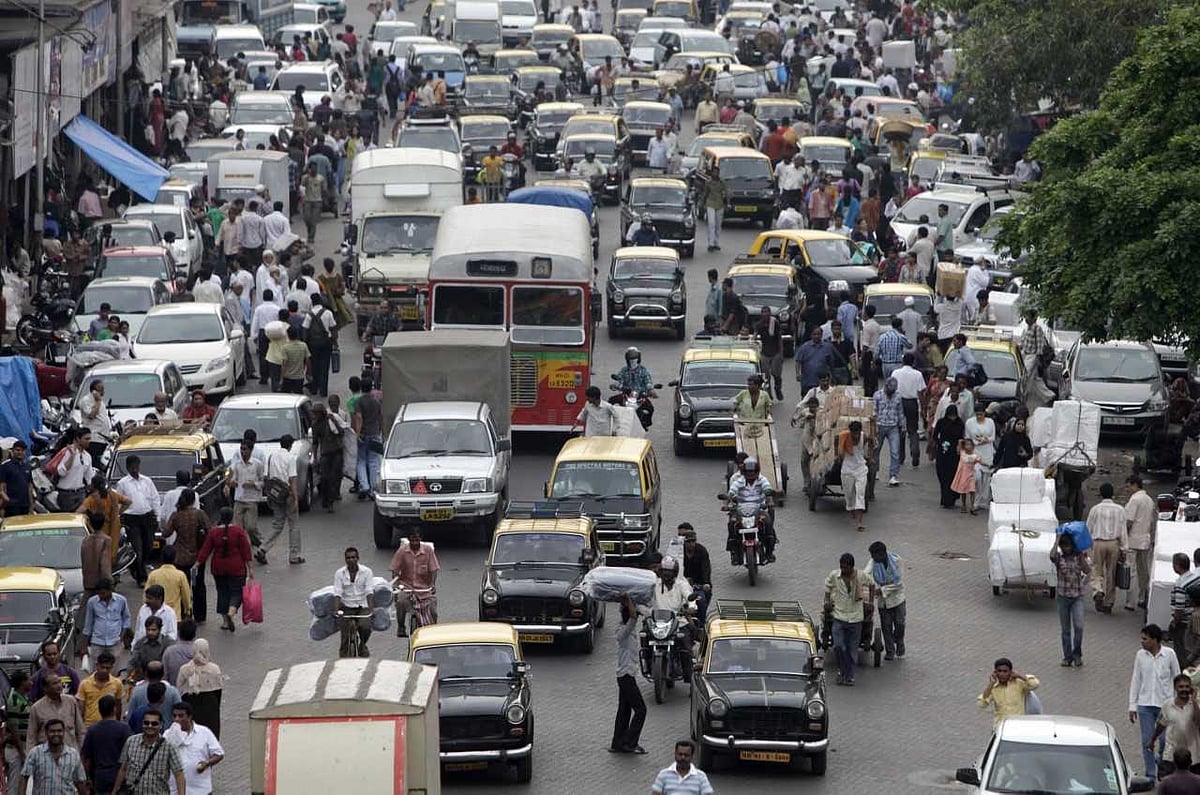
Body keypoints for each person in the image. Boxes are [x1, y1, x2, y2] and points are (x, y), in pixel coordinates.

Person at [1129, 623, 1180, 777]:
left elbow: (1176, 677)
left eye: (1145, 639)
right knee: (1147, 741)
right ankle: (1150, 774)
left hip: (1165, 706)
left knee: (1165, 741)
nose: (1142, 641)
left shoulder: (1169, 654)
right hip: (1145, 705)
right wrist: (1132, 705)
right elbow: (1136, 679)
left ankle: (1162, 766)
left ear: (1155, 640)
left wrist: (1178, 703)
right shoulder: (1140, 655)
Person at [110, 708, 185, 795]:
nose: (150, 726)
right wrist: (115, 790)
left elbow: (179, 774)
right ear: (142, 724)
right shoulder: (131, 741)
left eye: (154, 723)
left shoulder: (169, 746)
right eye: (146, 723)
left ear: (161, 725)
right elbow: (123, 769)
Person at [115, 455, 161, 588]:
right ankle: (142, 577)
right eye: (132, 467)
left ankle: (135, 566)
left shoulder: (147, 481)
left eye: (137, 466)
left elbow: (154, 498)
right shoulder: (123, 483)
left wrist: (156, 516)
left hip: (147, 517)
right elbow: (119, 503)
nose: (135, 469)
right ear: (128, 468)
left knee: (148, 546)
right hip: (132, 520)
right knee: (138, 548)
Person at [610, 593, 646, 755]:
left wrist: (626, 599)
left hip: (625, 675)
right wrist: (630, 602)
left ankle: (618, 743)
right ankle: (630, 743)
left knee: (624, 711)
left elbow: (631, 612)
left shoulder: (623, 629)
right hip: (626, 677)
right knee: (641, 710)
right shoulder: (625, 630)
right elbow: (632, 615)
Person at [824, 553, 867, 686]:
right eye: (842, 567)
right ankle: (842, 671)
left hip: (855, 618)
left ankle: (849, 676)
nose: (844, 570)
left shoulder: (861, 576)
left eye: (846, 568)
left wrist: (869, 600)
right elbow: (827, 588)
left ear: (852, 567)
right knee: (838, 646)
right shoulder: (834, 576)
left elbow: (872, 584)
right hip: (838, 617)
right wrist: (827, 601)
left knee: (852, 649)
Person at [259, 434, 302, 566]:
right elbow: (292, 479)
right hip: (287, 494)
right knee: (294, 525)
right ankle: (294, 555)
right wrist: (295, 499)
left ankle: (263, 548)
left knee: (277, 524)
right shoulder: (291, 458)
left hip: (275, 494)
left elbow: (267, 477)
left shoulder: (271, 456)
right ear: (290, 445)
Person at [1087, 482, 1129, 615]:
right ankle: (1109, 602)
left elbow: (1088, 528)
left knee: (1097, 569)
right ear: (1113, 494)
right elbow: (1123, 531)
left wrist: (1086, 547)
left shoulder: (1095, 509)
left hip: (1098, 543)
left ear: (1100, 494)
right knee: (1112, 573)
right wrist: (1124, 548)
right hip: (1114, 544)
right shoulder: (1120, 509)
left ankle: (1098, 590)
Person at [1051, 532, 1092, 668]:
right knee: (1066, 630)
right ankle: (1067, 657)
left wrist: (1083, 584)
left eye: (1067, 546)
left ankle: (1077, 654)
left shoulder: (1078, 557)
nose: (1065, 549)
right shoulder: (1059, 558)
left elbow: (1088, 571)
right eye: (1063, 546)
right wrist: (1056, 540)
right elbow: (1052, 556)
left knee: (1079, 627)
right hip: (1063, 597)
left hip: (1077, 597)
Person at [389, 527, 439, 637]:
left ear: (420, 538)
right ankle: (401, 627)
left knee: (433, 610)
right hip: (406, 588)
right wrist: (397, 583)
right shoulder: (402, 551)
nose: (414, 543)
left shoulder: (428, 551)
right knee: (401, 602)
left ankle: (433, 631)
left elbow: (433, 569)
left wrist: (432, 584)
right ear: (409, 539)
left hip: (424, 589)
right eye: (412, 540)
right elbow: (395, 569)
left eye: (417, 540)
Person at [164, 701, 223, 794]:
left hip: (200, 790)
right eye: (174, 716)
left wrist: (206, 763)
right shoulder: (167, 734)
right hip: (175, 790)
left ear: (190, 716)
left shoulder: (204, 732)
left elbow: (219, 754)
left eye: (181, 716)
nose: (177, 719)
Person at [725, 458, 776, 563]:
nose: (751, 475)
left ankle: (770, 551)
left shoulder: (762, 480)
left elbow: (767, 490)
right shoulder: (738, 482)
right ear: (744, 472)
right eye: (748, 472)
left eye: (753, 472)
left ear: (757, 472)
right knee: (732, 524)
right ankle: (734, 552)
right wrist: (726, 504)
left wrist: (769, 500)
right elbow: (731, 493)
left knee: (768, 522)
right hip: (740, 511)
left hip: (759, 510)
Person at [1150, 676, 1200, 779]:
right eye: (1181, 687)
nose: (1184, 689)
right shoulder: (1167, 705)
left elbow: (1198, 721)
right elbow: (1161, 724)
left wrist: (1194, 700)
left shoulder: (1196, 705)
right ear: (1175, 688)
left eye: (1187, 686)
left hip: (1194, 756)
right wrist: (1153, 739)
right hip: (1171, 755)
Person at [19, 718, 87, 794]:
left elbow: (81, 782)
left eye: (59, 731)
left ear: (64, 732)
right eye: (52, 731)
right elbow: (24, 778)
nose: (56, 734)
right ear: (46, 733)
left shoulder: (73, 755)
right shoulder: (35, 753)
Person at [81, 694, 131, 795]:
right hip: (120, 775)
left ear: (99, 710)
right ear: (114, 709)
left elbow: (86, 759)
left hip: (100, 776)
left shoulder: (92, 730)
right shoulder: (124, 729)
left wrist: (87, 778)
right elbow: (130, 755)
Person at [80, 579, 131, 675]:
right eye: (99, 593)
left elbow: (126, 619)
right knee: (96, 671)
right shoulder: (92, 602)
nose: (101, 596)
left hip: (115, 641)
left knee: (114, 671)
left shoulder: (121, 601)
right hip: (97, 641)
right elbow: (88, 624)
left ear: (110, 590)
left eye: (103, 593)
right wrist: (84, 645)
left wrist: (121, 636)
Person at [175, 640, 223, 739]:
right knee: (210, 736)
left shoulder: (185, 669)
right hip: (210, 707)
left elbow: (179, 688)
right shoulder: (214, 669)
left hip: (191, 705)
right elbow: (219, 691)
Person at [867, 541, 905, 660]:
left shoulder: (897, 561)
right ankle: (890, 651)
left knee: (900, 623)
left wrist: (881, 590)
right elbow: (866, 573)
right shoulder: (874, 562)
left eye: (874, 556)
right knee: (886, 626)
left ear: (882, 554)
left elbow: (898, 583)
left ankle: (899, 641)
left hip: (898, 597)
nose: (873, 558)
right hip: (883, 600)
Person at [334, 547, 374, 658]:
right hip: (346, 607)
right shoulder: (339, 573)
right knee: (345, 637)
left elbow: (369, 591)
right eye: (348, 558)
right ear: (345, 559)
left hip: (362, 606)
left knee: (365, 626)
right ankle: (343, 661)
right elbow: (337, 592)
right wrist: (336, 610)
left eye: (353, 557)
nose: (351, 560)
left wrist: (371, 609)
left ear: (358, 558)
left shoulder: (367, 572)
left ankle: (362, 645)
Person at [27, 675, 85, 752]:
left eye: (59, 682)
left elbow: (80, 730)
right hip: (46, 756)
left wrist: (82, 752)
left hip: (71, 754)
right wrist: (30, 756)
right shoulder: (36, 708)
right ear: (45, 688)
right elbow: (31, 736)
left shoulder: (71, 701)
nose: (59, 685)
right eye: (54, 683)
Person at [1125, 475, 1157, 611]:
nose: (1126, 489)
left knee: (1131, 572)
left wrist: (1123, 537)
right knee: (1144, 571)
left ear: (1135, 485)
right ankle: (1143, 597)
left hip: (1133, 540)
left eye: (1128, 486)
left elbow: (1129, 521)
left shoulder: (1134, 500)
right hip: (1145, 540)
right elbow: (1152, 521)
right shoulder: (1149, 500)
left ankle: (1130, 602)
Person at [226, 439, 264, 552]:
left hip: (252, 499)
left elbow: (262, 482)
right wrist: (231, 483)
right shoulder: (236, 465)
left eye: (245, 449)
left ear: (251, 450)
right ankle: (241, 550)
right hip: (239, 499)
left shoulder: (258, 465)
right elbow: (230, 478)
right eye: (241, 449)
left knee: (251, 527)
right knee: (237, 528)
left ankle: (260, 544)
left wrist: (254, 484)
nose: (243, 452)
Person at [978, 657, 1039, 725]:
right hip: (1001, 727)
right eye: (999, 671)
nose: (1002, 674)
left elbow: (1035, 684)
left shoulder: (1019, 683)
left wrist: (1020, 676)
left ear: (1010, 672)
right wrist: (991, 684)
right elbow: (982, 704)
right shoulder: (993, 688)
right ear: (995, 672)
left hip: (1018, 725)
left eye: (1005, 671)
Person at [352, 380, 384, 499]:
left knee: (361, 460)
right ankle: (372, 489)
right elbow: (380, 418)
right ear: (371, 388)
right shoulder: (376, 402)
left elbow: (359, 418)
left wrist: (358, 434)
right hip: (375, 433)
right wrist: (379, 431)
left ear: (361, 388)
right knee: (373, 462)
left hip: (364, 434)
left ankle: (364, 485)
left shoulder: (359, 401)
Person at [893, 353, 926, 468]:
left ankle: (901, 456)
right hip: (912, 403)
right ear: (913, 362)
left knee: (900, 430)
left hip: (899, 402)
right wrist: (923, 408)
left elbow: (892, 389)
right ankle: (915, 451)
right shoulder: (918, 374)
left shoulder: (896, 373)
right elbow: (921, 392)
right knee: (913, 429)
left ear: (903, 362)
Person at [839, 420, 870, 531]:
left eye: (857, 432)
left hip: (861, 469)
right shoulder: (844, 436)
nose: (856, 435)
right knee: (849, 496)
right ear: (850, 431)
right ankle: (851, 510)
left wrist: (869, 457)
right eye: (854, 433)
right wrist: (837, 455)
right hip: (847, 470)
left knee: (860, 494)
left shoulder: (864, 437)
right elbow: (835, 440)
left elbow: (871, 444)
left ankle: (859, 522)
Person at [77, 652, 123, 728]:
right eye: (102, 667)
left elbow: (118, 706)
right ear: (97, 665)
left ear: (112, 667)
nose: (104, 670)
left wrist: (117, 724)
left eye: (107, 668)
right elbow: (81, 709)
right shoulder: (85, 684)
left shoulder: (117, 684)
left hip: (110, 726)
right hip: (89, 726)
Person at [932, 405, 965, 509]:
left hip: (954, 454)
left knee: (952, 475)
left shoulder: (960, 423)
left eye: (954, 416)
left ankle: (951, 498)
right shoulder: (941, 422)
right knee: (942, 475)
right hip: (943, 452)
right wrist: (940, 443)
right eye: (950, 416)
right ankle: (945, 498)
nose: (952, 418)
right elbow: (935, 435)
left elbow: (961, 437)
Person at [145, 546, 192, 621]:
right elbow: (186, 595)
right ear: (175, 558)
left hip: (156, 615)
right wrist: (187, 610)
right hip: (174, 615)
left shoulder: (153, 574)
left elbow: (146, 596)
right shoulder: (180, 575)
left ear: (162, 557)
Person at [56, 429, 95, 512]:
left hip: (80, 493)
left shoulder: (87, 456)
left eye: (89, 439)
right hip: (66, 495)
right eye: (86, 439)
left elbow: (89, 478)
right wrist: (72, 456)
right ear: (78, 439)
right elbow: (61, 472)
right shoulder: (67, 451)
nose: (89, 441)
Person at [5, 669, 32, 792]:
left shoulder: (23, 697)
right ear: (22, 683)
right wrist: (21, 752)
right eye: (28, 680)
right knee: (14, 784)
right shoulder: (14, 701)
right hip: (16, 749)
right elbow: (13, 728)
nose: (31, 682)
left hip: (22, 746)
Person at [874, 377, 903, 487]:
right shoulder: (877, 395)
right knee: (876, 450)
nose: (891, 393)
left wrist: (902, 426)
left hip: (893, 427)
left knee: (895, 452)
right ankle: (875, 471)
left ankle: (893, 475)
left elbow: (900, 412)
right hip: (880, 425)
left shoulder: (898, 396)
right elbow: (874, 410)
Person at [76, 380, 112, 463]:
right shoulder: (86, 400)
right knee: (94, 461)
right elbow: (91, 415)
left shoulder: (99, 400)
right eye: (101, 389)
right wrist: (98, 401)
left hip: (103, 437)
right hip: (94, 438)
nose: (103, 391)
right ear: (94, 390)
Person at [129, 616, 173, 682]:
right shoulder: (140, 644)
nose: (150, 632)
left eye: (153, 630)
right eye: (148, 629)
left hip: (163, 679)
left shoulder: (168, 643)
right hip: (144, 679)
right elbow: (132, 662)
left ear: (160, 630)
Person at [756, 307, 785, 400]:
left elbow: (779, 338)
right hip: (764, 352)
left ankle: (778, 388)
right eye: (763, 312)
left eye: (766, 312)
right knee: (766, 376)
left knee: (776, 374)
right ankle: (769, 394)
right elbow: (755, 336)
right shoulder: (759, 324)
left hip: (775, 352)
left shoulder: (775, 323)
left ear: (770, 313)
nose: (765, 314)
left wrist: (781, 353)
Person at [0, 439, 33, 515]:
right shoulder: (5, 467)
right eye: (17, 450)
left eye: (22, 450)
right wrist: (7, 501)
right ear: (13, 451)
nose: (20, 452)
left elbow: (29, 487)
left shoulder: (27, 467)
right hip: (11, 506)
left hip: (25, 505)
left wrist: (31, 506)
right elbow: (2, 488)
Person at [161, 621, 196, 687]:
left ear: (178, 633)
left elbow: (164, 675)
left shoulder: (169, 652)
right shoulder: (199, 651)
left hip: (174, 690)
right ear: (194, 635)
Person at [951, 437, 981, 514]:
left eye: (970, 445)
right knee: (963, 491)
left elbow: (980, 461)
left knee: (972, 490)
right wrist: (960, 442)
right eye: (967, 445)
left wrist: (987, 464)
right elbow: (958, 448)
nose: (968, 446)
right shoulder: (962, 453)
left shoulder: (975, 456)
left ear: (973, 446)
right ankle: (963, 505)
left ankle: (972, 506)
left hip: (971, 476)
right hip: (963, 475)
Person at [703, 173, 727, 252]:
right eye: (713, 172)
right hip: (710, 203)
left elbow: (725, 194)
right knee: (711, 223)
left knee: (718, 225)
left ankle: (716, 242)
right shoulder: (708, 182)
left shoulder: (722, 183)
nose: (714, 174)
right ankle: (711, 244)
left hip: (720, 204)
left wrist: (727, 203)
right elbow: (706, 193)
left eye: (716, 172)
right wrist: (704, 203)